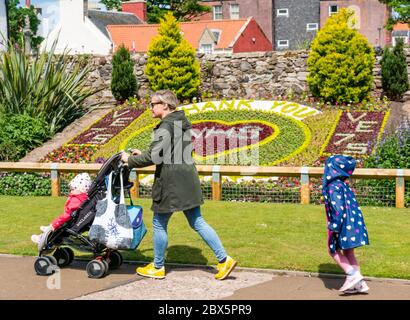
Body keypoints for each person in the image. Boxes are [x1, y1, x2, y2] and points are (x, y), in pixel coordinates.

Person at [121, 89, 237, 280]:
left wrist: (129, 160)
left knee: (159, 223)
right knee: (197, 221)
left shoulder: (166, 126)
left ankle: (158, 266)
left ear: (164, 105)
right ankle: (224, 260)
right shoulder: (179, 123)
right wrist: (140, 155)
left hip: (171, 182)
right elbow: (166, 152)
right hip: (187, 178)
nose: (150, 107)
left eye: (153, 104)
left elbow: (154, 157)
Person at [322, 155, 370, 293]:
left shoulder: (333, 187)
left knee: (333, 250)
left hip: (341, 224)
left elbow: (338, 207)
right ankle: (358, 284)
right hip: (353, 225)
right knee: (349, 252)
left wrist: (334, 226)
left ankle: (351, 274)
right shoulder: (343, 185)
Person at [31, 173, 92, 244]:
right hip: (80, 222)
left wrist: (54, 225)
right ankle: (47, 231)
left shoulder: (76, 200)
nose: (71, 191)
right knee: (59, 228)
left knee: (58, 229)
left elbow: (67, 215)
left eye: (73, 189)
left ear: (79, 189)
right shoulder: (85, 199)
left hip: (71, 223)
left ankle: (42, 238)